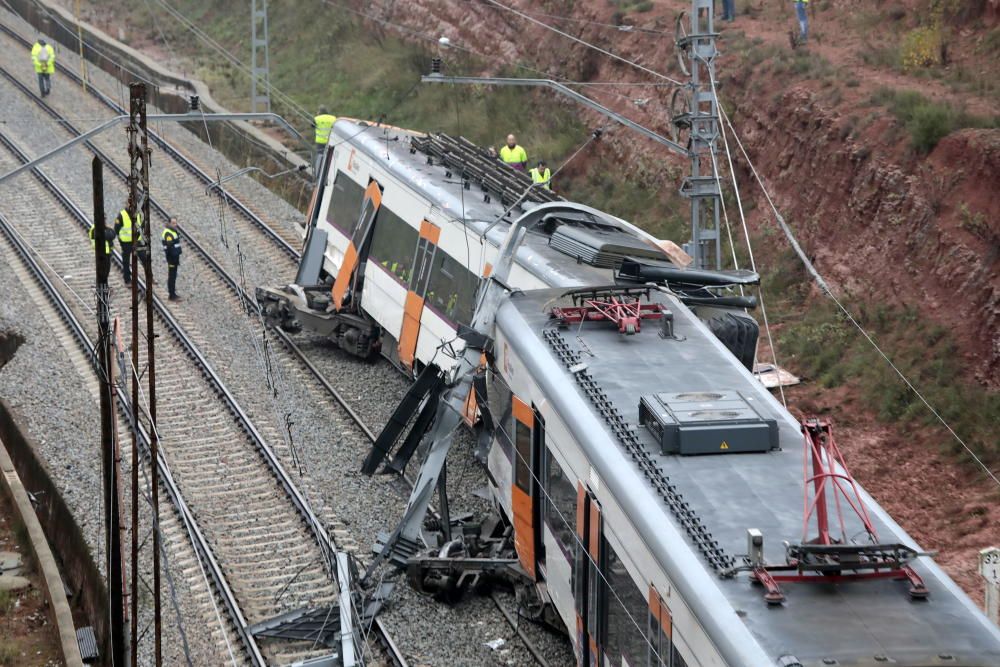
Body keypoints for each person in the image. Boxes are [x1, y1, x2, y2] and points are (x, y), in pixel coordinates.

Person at [114, 207, 141, 284]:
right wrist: (121, 239)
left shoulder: (138, 213)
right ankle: (127, 279)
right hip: (126, 242)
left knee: (143, 258)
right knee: (126, 261)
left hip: (136, 241)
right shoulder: (122, 215)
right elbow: (116, 229)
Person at [161, 219, 182, 300]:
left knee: (173, 275)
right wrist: (172, 258)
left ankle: (173, 293)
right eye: (173, 223)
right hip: (172, 258)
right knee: (172, 276)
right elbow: (169, 246)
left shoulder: (173, 231)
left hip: (175, 257)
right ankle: (172, 295)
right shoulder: (168, 233)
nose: (175, 224)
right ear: (169, 223)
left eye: (176, 223)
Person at [313, 106, 337, 175]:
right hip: (330, 142)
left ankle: (317, 173)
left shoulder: (317, 118)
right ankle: (327, 173)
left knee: (319, 156)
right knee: (329, 158)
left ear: (319, 112)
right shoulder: (333, 118)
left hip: (320, 142)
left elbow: (312, 125)